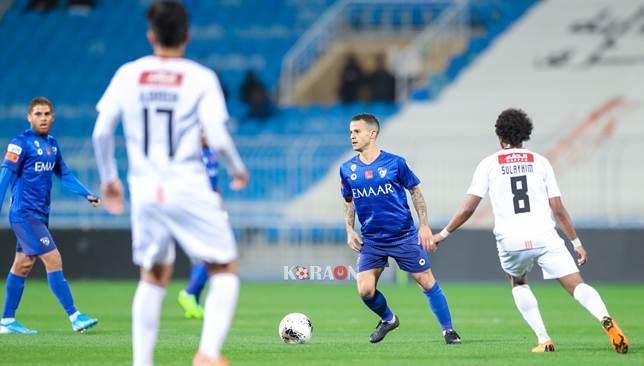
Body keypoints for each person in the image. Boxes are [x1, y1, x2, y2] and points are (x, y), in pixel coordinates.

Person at [92, 2, 249, 366]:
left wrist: (109, 179)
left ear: (151, 36)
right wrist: (237, 170)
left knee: (154, 274)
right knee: (224, 268)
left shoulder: (128, 74)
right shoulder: (200, 77)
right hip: (188, 184)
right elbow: (219, 139)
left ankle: (142, 362)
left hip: (145, 190)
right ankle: (208, 354)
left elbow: (101, 131)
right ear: (187, 36)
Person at [432, 108, 629, 353]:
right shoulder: (541, 161)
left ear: (500, 136)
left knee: (518, 280)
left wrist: (442, 234)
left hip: (510, 239)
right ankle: (605, 319)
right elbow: (557, 208)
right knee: (576, 284)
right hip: (545, 234)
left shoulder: (489, 164)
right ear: (525, 135)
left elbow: (468, 208)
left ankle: (544, 339)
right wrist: (576, 242)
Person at [339, 113, 461, 345]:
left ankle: (449, 331)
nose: (352, 136)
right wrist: (349, 229)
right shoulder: (347, 169)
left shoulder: (395, 163)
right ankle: (388, 319)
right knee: (365, 290)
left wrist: (424, 225)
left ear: (372, 134)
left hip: (403, 236)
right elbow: (348, 200)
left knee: (426, 280)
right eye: (350, 132)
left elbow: (415, 191)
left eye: (356, 131)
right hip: (372, 240)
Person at [0, 97, 100, 335]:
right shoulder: (20, 143)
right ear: (29, 117)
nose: (43, 118)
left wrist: (86, 193)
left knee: (22, 265)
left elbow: (64, 174)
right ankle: (75, 316)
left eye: (46, 114)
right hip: (25, 215)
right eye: (38, 114)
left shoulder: (52, 145)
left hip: (40, 215)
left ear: (53, 117)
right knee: (53, 259)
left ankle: (6, 321)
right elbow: (5, 175)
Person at [178, 133, 223, 320]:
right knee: (211, 254)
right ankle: (189, 293)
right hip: (196, 209)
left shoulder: (210, 153)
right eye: (202, 131)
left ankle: (193, 301)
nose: (206, 135)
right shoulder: (190, 156)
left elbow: (214, 184)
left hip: (210, 208)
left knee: (204, 256)